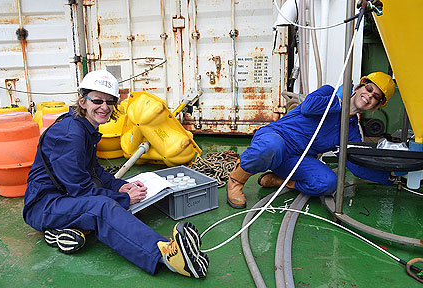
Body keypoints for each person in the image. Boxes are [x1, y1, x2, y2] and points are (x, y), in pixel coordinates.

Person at [23, 70, 209, 278]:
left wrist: (118, 186)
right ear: (83, 101)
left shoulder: (84, 126)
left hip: (63, 196)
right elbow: (81, 191)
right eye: (98, 100)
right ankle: (166, 255)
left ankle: (63, 231)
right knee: (102, 207)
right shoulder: (70, 135)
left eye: (110, 102)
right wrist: (123, 198)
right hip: (45, 205)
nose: (104, 107)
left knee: (106, 192)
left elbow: (93, 171)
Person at [227, 72, 396, 208]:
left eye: (376, 96)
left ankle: (279, 180)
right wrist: (338, 101)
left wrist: (391, 175)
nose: (369, 95)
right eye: (368, 88)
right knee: (272, 147)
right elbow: (309, 107)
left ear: (376, 106)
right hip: (276, 138)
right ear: (360, 87)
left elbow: (356, 165)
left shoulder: (351, 131)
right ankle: (236, 181)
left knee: (329, 183)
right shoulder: (328, 92)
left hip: (297, 159)